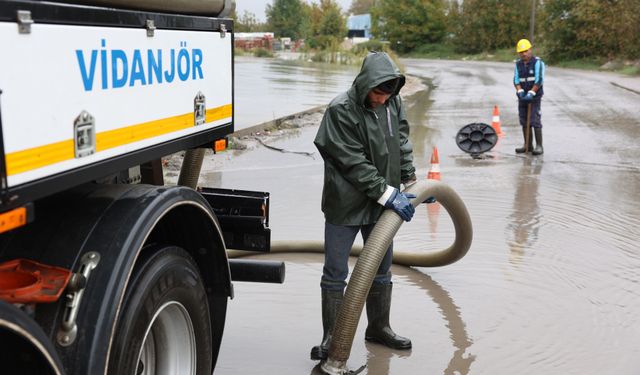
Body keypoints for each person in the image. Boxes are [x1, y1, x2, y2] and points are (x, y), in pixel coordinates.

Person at [311, 51, 416, 361]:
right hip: (345, 204)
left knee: (381, 268)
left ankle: (379, 328)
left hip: (381, 201)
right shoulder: (340, 110)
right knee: (335, 272)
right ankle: (332, 338)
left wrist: (410, 179)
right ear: (364, 84)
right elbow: (352, 162)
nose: (383, 100)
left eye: (388, 94)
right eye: (378, 93)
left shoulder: (393, 102)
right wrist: (386, 193)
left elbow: (401, 140)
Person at [514, 38, 545, 155]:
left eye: (526, 51)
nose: (524, 54)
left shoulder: (538, 63)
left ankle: (539, 146)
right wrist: (520, 91)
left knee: (534, 119)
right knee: (523, 120)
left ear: (530, 50)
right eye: (521, 52)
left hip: (534, 97)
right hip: (522, 97)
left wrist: (531, 93)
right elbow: (516, 79)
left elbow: (539, 80)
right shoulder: (518, 64)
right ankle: (528, 145)